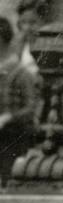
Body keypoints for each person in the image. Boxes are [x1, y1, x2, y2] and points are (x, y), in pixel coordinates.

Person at [0, 16, 38, 185]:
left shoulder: (21, 73)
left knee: (10, 182)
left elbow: (31, 108)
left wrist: (9, 117)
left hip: (13, 138)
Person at [14, 0, 47, 77]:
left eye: (32, 22)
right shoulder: (19, 44)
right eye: (23, 22)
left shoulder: (46, 46)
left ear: (43, 21)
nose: (27, 28)